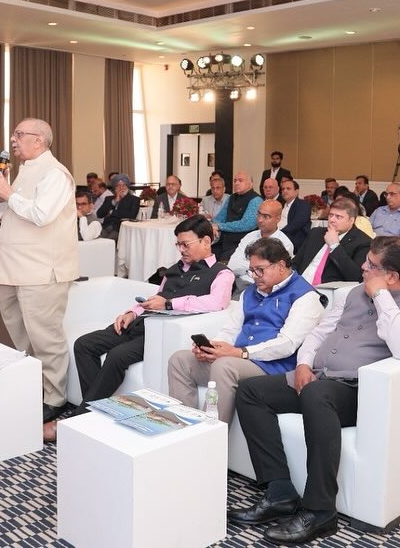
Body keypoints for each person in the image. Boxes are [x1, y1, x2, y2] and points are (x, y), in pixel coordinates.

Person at [228, 236, 400, 544]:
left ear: (392, 276)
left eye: (371, 265)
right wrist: (303, 364)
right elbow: (319, 333)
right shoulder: (352, 293)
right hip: (318, 378)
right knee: (251, 392)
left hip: (356, 391)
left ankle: (320, 511)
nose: (363, 267)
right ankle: (280, 492)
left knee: (316, 394)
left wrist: (381, 296)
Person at [71, 215, 232, 412]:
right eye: (178, 244)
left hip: (160, 331)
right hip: (140, 323)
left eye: (186, 244)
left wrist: (169, 304)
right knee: (84, 345)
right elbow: (156, 297)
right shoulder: (174, 269)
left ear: (206, 241)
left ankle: (82, 414)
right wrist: (132, 312)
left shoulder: (222, 273)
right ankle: (94, 410)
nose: (181, 250)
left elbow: (216, 302)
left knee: (116, 356)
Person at [168, 238, 321, 424]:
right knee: (180, 360)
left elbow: (287, 344)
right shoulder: (250, 292)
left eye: (260, 270)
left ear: (281, 265)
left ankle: (208, 433)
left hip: (272, 367)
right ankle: (181, 426)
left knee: (224, 366)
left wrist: (240, 353)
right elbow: (231, 329)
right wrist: (212, 347)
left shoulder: (305, 296)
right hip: (238, 358)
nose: (254, 276)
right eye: (251, 270)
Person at [0, 118, 80, 423]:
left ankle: (55, 398)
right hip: (13, 265)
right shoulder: (24, 170)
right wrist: (1, 193)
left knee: (45, 338)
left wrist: (8, 193)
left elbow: (41, 214)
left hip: (41, 269)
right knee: (21, 335)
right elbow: (8, 213)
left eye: (19, 134)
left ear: (38, 140)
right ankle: (34, 387)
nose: (13, 140)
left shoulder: (55, 173)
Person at [291, 197, 371, 285]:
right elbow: (296, 262)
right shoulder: (316, 233)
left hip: (325, 290)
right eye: (331, 215)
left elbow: (356, 277)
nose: (332, 220)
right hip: (298, 283)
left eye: (338, 217)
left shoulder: (363, 242)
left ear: (351, 220)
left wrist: (335, 246)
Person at [228, 200, 293, 296]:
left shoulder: (284, 243)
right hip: (238, 284)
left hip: (265, 290)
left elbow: (271, 277)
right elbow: (232, 265)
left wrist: (247, 268)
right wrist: (259, 268)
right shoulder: (249, 237)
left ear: (278, 219)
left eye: (266, 216)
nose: (260, 220)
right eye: (259, 214)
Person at [211, 171, 262, 261]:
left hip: (242, 244)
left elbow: (246, 224)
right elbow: (220, 218)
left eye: (240, 180)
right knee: (205, 255)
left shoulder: (256, 200)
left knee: (222, 261)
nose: (236, 183)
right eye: (235, 181)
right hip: (224, 241)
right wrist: (212, 226)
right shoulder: (231, 197)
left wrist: (219, 226)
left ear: (251, 183)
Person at [99, 174, 140, 240]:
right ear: (115, 187)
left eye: (123, 185)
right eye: (118, 185)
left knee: (108, 241)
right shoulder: (109, 199)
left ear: (127, 186)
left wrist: (112, 212)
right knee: (97, 240)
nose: (121, 188)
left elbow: (132, 215)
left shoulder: (134, 199)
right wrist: (114, 201)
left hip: (120, 228)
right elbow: (99, 214)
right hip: (105, 227)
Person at [279, 178, 312, 253]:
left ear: (296, 191)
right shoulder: (280, 205)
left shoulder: (302, 205)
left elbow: (296, 224)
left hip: (294, 239)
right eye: (283, 189)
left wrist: (278, 234)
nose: (285, 191)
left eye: (288, 189)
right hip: (279, 237)